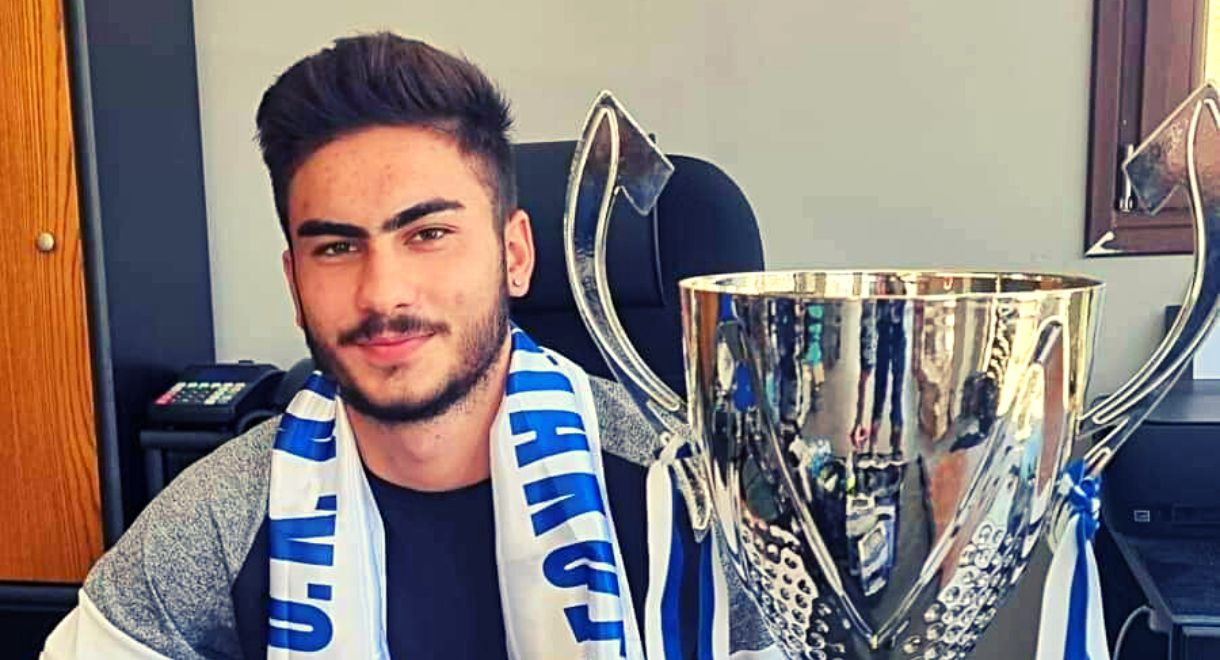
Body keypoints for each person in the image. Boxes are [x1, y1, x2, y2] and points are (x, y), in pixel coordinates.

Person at [41, 32, 775, 659]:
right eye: (336, 248)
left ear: (515, 254)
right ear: (295, 284)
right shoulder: (224, 514)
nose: (383, 294)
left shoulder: (683, 491)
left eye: (428, 234)